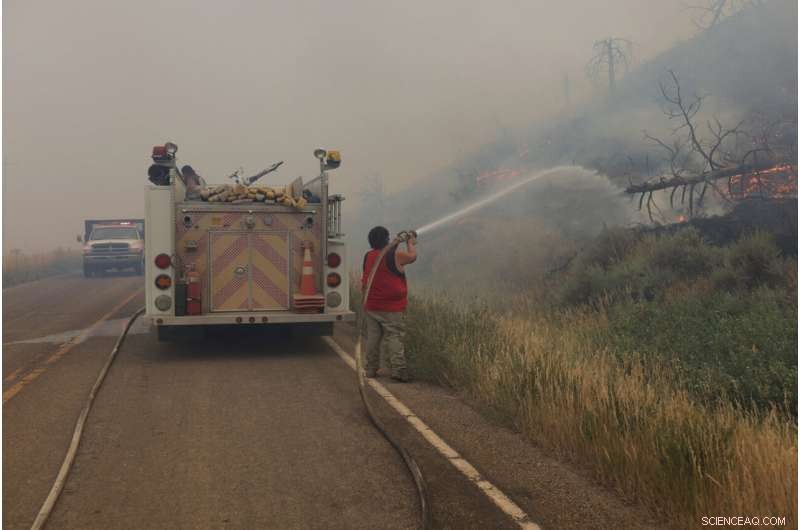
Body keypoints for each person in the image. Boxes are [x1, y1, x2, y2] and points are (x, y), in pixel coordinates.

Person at [361, 226, 417, 382]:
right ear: (386, 240)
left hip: (371, 305)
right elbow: (412, 257)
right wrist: (411, 242)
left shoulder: (369, 256)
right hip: (391, 307)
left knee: (373, 337)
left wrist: (396, 243)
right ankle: (398, 371)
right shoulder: (396, 255)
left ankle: (371, 369)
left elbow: (384, 260)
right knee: (394, 336)